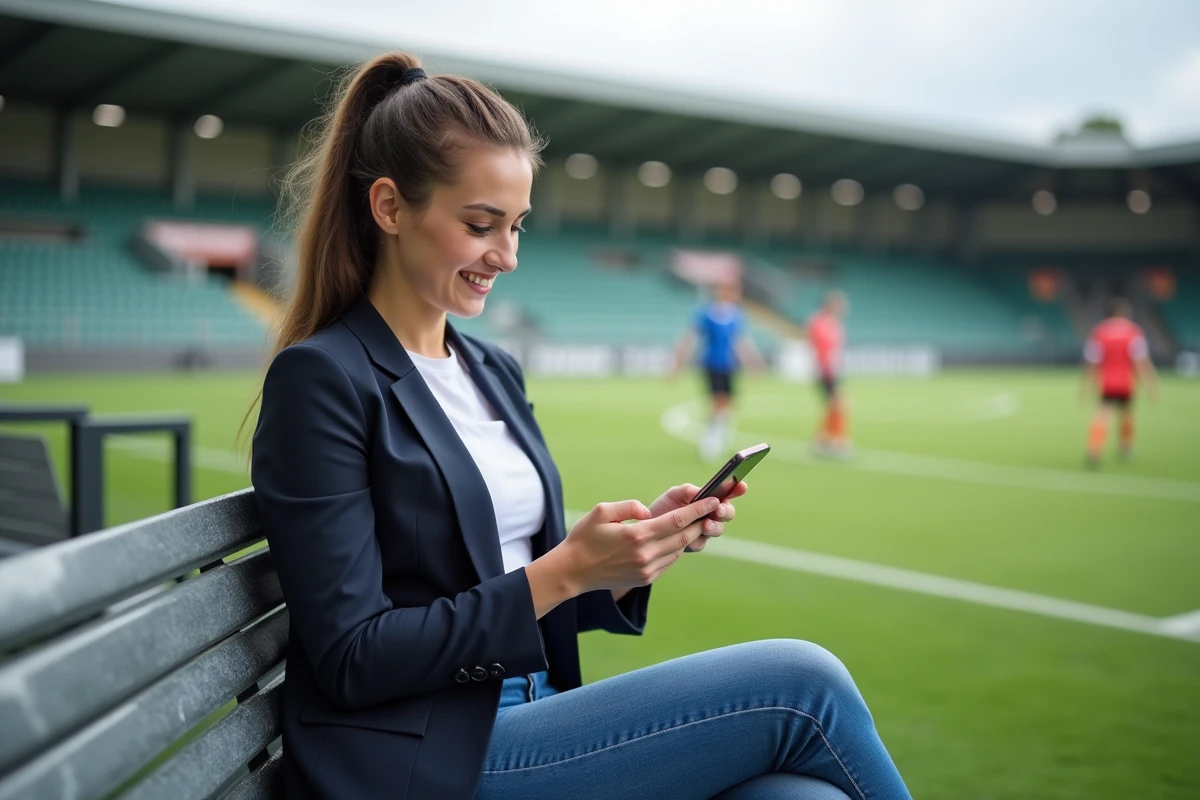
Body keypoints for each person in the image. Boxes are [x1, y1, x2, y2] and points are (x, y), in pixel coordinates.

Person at [251, 52, 909, 800]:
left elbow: (500, 581)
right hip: (422, 756)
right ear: (390, 208)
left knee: (804, 799)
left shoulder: (491, 369)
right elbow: (352, 656)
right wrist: (563, 570)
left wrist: (622, 564)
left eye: (518, 226)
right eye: (480, 225)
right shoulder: (324, 377)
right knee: (802, 682)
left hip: (529, 715)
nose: (508, 255)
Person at [670, 279, 765, 461]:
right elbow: (690, 338)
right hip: (712, 364)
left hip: (729, 366)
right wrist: (678, 364)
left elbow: (741, 342)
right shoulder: (707, 313)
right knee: (717, 401)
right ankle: (711, 440)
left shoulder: (736, 314)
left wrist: (753, 363)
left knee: (728, 403)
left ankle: (719, 436)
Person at [1081, 298, 1158, 468]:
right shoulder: (1133, 332)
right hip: (1125, 381)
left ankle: (1094, 450)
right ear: (1122, 312)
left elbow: (1092, 361)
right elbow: (1140, 361)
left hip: (1107, 381)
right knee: (1127, 413)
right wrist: (1150, 383)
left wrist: (1085, 385)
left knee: (1103, 414)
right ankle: (1125, 447)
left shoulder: (1099, 332)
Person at [807, 291, 851, 457]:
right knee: (839, 404)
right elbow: (821, 348)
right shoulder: (819, 322)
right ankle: (836, 441)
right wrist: (827, 370)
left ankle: (824, 440)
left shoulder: (834, 323)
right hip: (825, 371)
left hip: (833, 370)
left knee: (835, 405)